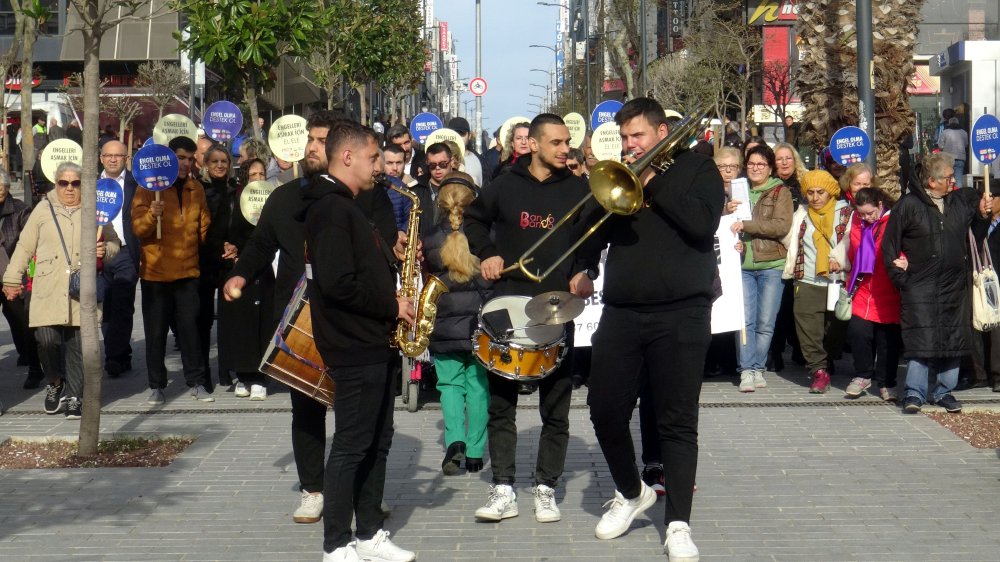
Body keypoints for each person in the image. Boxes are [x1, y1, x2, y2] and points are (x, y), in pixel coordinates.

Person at [224, 111, 399, 527]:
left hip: (354, 318)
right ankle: (313, 490)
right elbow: (260, 244)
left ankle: (362, 498)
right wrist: (240, 275)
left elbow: (387, 241)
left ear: (341, 148)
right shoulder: (285, 199)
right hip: (299, 316)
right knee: (306, 407)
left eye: (322, 139)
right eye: (311, 140)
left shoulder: (365, 196)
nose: (314, 147)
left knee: (362, 418)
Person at [583, 98, 722, 561]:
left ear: (662, 133)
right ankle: (631, 491)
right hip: (622, 311)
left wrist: (652, 183)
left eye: (636, 136)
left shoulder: (698, 170)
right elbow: (592, 231)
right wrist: (583, 266)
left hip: (682, 312)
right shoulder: (620, 176)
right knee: (603, 408)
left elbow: (702, 225)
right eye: (623, 138)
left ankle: (678, 523)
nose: (628, 146)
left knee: (677, 421)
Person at [464, 113, 597, 525]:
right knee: (501, 405)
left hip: (557, 306)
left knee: (555, 406)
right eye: (556, 142)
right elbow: (472, 221)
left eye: (568, 142)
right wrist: (486, 254)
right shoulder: (503, 184)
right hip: (508, 306)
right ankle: (503, 486)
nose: (565, 149)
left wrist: (585, 270)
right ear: (534, 144)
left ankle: (545, 487)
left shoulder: (579, 189)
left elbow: (591, 239)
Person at [301, 120, 416, 562]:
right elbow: (337, 283)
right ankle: (336, 544)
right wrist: (393, 305)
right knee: (351, 443)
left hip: (374, 339)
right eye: (372, 159)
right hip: (354, 343)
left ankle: (369, 533)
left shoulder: (349, 205)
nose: (378, 168)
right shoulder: (331, 208)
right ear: (347, 157)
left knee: (377, 439)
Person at [3, 162, 120, 419]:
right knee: (46, 339)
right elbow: (24, 247)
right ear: (56, 183)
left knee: (77, 344)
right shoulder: (43, 209)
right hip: (48, 286)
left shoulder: (94, 210)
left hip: (82, 288)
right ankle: (55, 382)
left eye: (75, 183)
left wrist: (105, 250)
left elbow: (114, 242)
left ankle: (75, 396)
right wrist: (12, 279)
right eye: (63, 183)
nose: (69, 188)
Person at [882, 152, 992, 414]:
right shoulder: (908, 206)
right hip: (919, 286)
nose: (952, 182)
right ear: (931, 181)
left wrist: (982, 216)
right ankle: (915, 392)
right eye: (948, 177)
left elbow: (974, 237)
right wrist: (902, 280)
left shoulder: (957, 203)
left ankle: (944, 391)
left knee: (953, 339)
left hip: (954, 286)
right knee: (920, 340)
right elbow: (889, 246)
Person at [133, 136, 213, 405]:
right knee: (155, 334)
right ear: (169, 158)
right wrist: (151, 215)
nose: (186, 163)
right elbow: (138, 230)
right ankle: (156, 384)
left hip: (188, 272)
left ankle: (197, 382)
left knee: (190, 330)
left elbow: (203, 227)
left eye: (191, 158)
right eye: (181, 158)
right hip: (155, 273)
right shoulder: (147, 188)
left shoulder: (196, 188)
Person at [423, 171, 491, 475]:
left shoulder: (428, 239)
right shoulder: (484, 235)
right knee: (478, 386)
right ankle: (476, 453)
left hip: (443, 323)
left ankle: (455, 442)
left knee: (450, 385)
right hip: (480, 325)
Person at [205, 147, 275, 400]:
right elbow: (218, 232)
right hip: (235, 269)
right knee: (239, 323)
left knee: (261, 324)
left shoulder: (273, 200)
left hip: (263, 270)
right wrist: (227, 247)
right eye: (253, 174)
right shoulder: (233, 199)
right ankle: (242, 376)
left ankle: (259, 376)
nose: (257, 178)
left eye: (261, 174)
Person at [782, 170, 853, 393]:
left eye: (820, 192)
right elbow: (788, 239)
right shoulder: (801, 213)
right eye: (810, 192)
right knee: (807, 329)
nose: (815, 197)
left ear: (831, 192)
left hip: (837, 281)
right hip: (807, 279)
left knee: (836, 328)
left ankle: (826, 360)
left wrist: (838, 259)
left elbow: (852, 241)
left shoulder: (847, 213)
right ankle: (818, 371)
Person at [731, 144, 793, 392]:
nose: (755, 168)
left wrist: (747, 225)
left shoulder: (780, 192)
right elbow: (726, 222)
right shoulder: (737, 189)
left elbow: (780, 226)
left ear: (770, 168)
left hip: (771, 264)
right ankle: (746, 370)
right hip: (743, 264)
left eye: (761, 164)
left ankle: (758, 367)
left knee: (766, 322)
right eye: (752, 164)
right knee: (745, 321)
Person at [845, 187, 901, 400]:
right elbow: (852, 250)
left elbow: (903, 245)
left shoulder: (893, 222)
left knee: (888, 340)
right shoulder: (857, 223)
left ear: (880, 205)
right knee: (859, 333)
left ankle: (887, 382)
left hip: (887, 289)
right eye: (862, 214)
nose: (867, 218)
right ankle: (862, 375)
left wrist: (903, 260)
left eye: (870, 213)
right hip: (862, 287)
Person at [99, 140, 140, 377]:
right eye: (108, 155)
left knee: (123, 304)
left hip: (126, 251)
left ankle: (114, 357)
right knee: (106, 303)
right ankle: (120, 353)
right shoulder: (90, 184)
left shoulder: (136, 185)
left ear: (126, 158)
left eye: (118, 155)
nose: (113, 159)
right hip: (98, 250)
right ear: (101, 158)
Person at [0, 169, 43, 388]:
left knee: (22, 318)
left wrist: (18, 277)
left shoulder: (20, 211)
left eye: (1, 186)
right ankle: (25, 354)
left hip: (14, 274)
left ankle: (34, 364)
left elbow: (29, 245)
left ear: (7, 188)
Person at [447, 117, 484, 186]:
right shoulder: (439, 157)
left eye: (461, 133)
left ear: (469, 136)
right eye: (454, 134)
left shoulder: (479, 159)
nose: (457, 137)